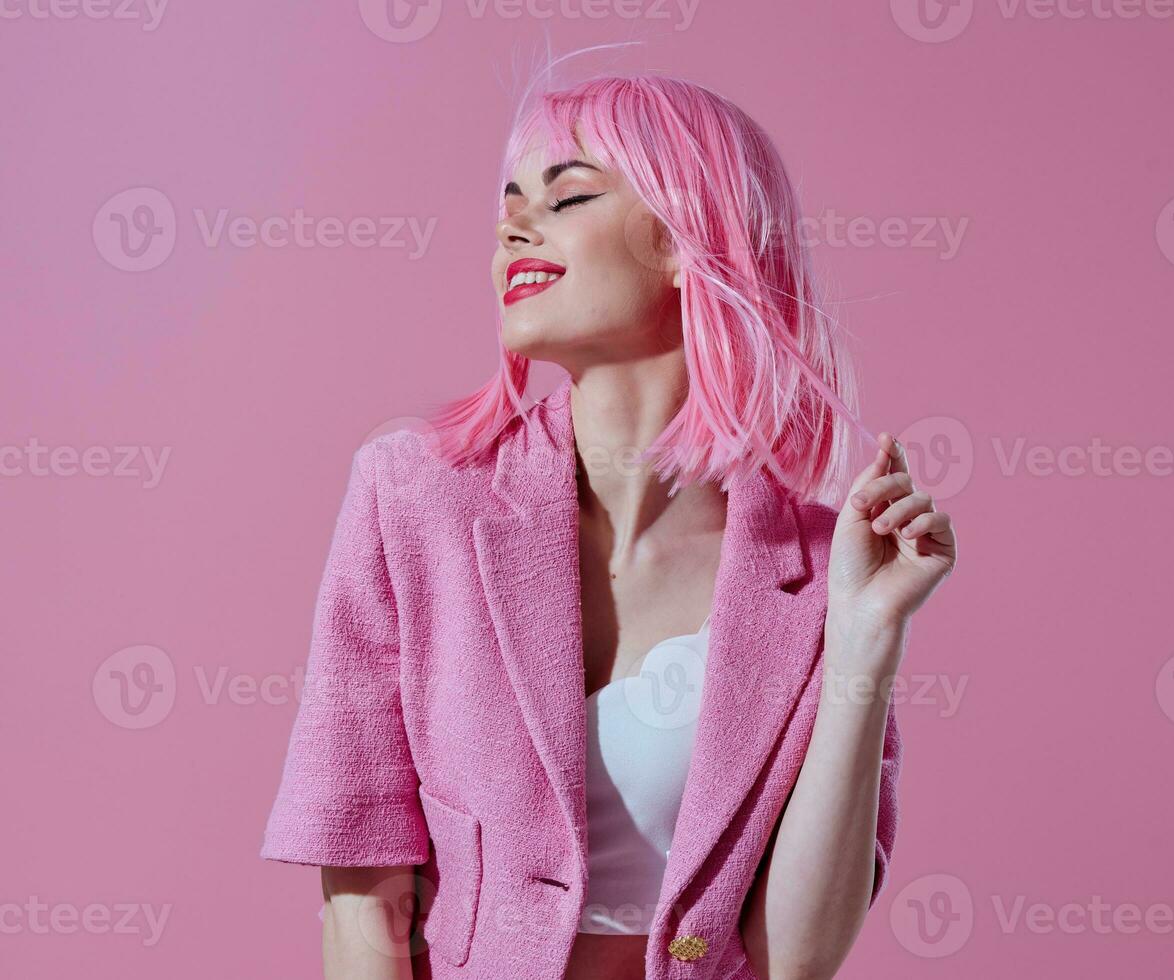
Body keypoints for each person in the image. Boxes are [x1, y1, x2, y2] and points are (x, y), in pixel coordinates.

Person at [260, 70, 958, 980]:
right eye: (508, 202)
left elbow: (797, 954)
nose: (514, 226)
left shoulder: (824, 567)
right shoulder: (412, 499)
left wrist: (866, 640)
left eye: (568, 196)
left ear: (687, 240)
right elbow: (362, 905)